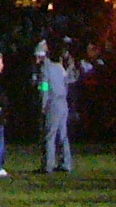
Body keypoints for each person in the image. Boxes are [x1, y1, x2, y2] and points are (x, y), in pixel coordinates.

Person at [39, 45, 74, 173]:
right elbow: (66, 82)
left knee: (50, 135)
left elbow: (44, 87)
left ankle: (48, 165)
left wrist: (43, 105)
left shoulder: (45, 69)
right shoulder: (59, 67)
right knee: (62, 134)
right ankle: (66, 163)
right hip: (63, 102)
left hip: (52, 102)